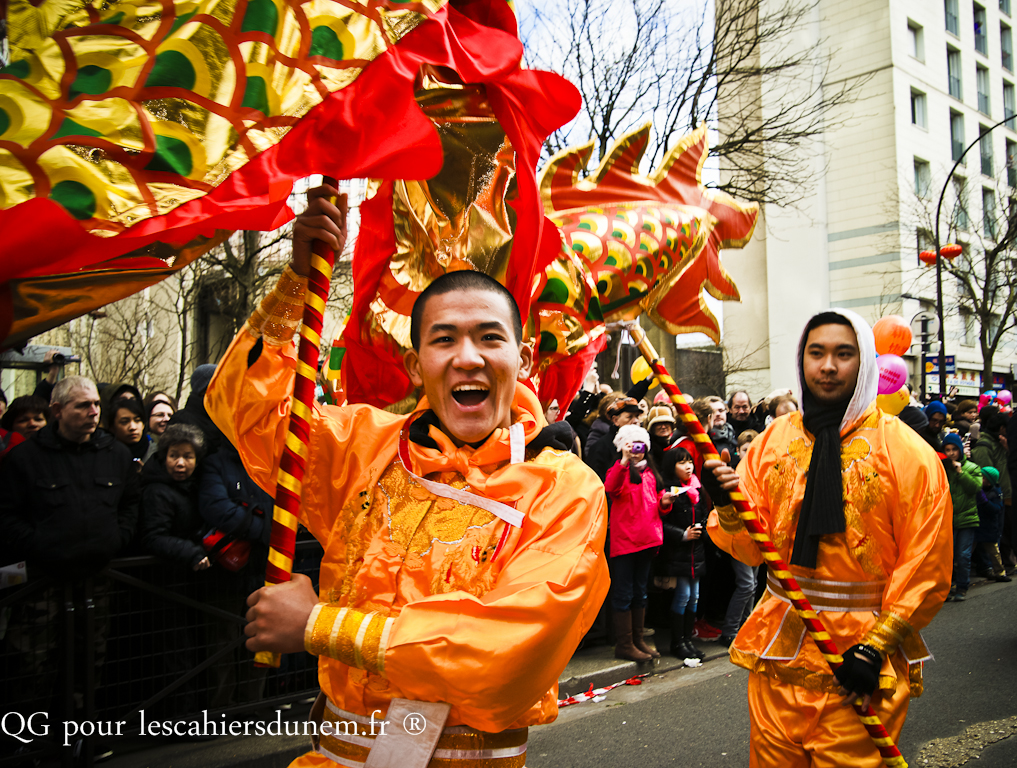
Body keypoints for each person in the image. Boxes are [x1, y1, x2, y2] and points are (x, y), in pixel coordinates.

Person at [206, 184, 609, 767]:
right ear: (417, 364)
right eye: (444, 340)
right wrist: (296, 282)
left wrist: (319, 626)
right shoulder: (364, 448)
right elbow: (248, 409)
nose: (467, 357)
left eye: (489, 337)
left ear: (522, 359)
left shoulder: (564, 489)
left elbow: (506, 652)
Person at [703, 309, 951, 768]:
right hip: (780, 651)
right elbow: (752, 550)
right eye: (816, 353)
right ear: (802, 360)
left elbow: (927, 561)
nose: (828, 366)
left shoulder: (908, 453)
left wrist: (876, 645)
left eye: (844, 354)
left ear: (865, 361)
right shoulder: (772, 442)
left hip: (858, 661)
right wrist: (726, 505)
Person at [0, 376, 139, 740]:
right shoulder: (25, 458)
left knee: (88, 660)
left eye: (96, 405)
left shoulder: (115, 454)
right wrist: (40, 546)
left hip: (96, 580)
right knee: (32, 663)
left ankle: (79, 737)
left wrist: (115, 540)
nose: (93, 412)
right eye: (83, 405)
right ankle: (26, 742)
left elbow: (130, 504)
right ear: (58, 410)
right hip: (42, 583)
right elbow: (7, 514)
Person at [604, 424, 667, 662]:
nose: (636, 451)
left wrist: (665, 502)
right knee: (624, 593)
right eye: (631, 446)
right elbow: (610, 487)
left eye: (640, 446)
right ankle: (624, 644)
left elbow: (657, 502)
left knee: (640, 592)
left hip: (647, 540)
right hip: (625, 542)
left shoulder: (650, 473)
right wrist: (623, 460)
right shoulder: (618, 471)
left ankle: (638, 640)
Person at [653, 445, 708, 660]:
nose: (688, 466)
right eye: (681, 462)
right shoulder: (669, 491)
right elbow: (661, 522)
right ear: (671, 466)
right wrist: (682, 535)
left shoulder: (697, 488)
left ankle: (688, 640)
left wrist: (701, 529)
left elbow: (705, 515)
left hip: (696, 551)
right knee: (683, 596)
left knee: (694, 597)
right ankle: (678, 642)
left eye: (690, 462)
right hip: (678, 553)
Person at [941, 432, 982, 602]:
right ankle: (948, 587)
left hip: (967, 518)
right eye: (947, 449)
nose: (951, 453)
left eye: (954, 449)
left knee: (963, 555)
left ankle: (962, 587)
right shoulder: (942, 470)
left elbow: (976, 488)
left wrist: (961, 472)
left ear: (960, 449)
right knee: (947, 557)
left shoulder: (972, 468)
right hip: (948, 520)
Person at [973, 411, 1013, 569]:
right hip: (991, 497)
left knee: (1003, 530)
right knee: (992, 533)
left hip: (1004, 495)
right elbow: (986, 475)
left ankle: (1004, 563)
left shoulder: (1000, 443)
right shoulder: (984, 446)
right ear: (1002, 428)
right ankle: (991, 566)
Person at [974, 467, 1011, 582]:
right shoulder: (977, 489)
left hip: (989, 527)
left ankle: (1000, 573)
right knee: (966, 551)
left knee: (994, 552)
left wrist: (985, 502)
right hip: (976, 525)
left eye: (983, 478)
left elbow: (996, 509)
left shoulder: (995, 493)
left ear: (989, 481)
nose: (980, 479)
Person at [108, 396, 157, 465]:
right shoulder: (105, 455)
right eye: (125, 422)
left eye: (137, 420)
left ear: (143, 424)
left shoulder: (158, 454)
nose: (133, 427)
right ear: (112, 427)